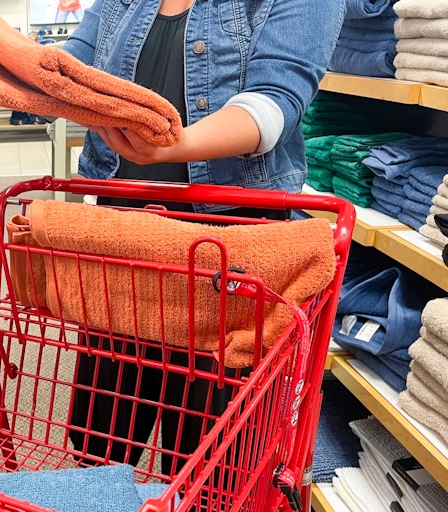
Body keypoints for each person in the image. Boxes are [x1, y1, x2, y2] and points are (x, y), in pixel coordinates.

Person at [58, 0, 346, 474]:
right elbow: (70, 70)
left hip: (231, 258)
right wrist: (11, 68)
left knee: (207, 465)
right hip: (125, 245)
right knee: (100, 443)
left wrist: (177, 143)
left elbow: (277, 99)